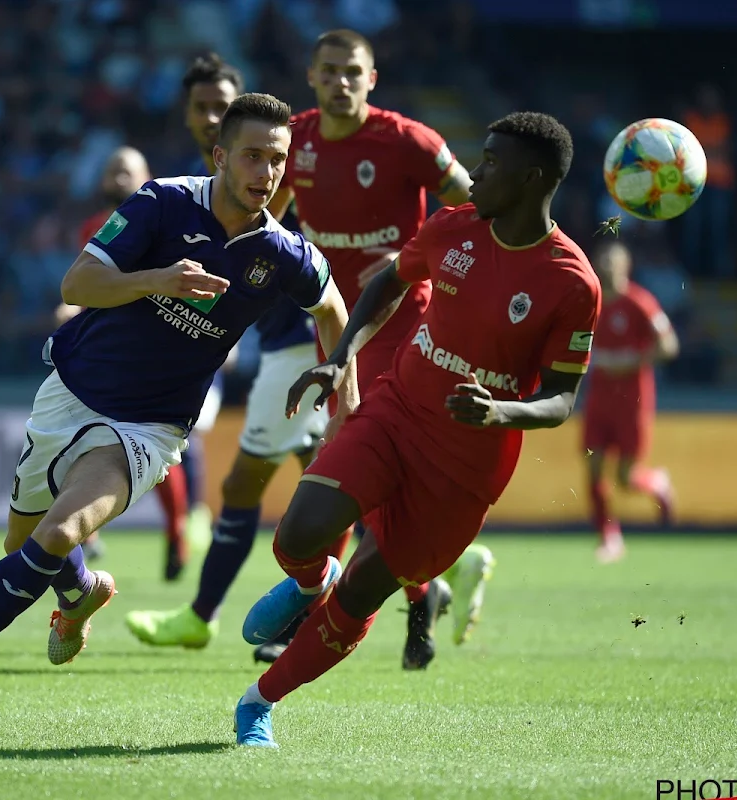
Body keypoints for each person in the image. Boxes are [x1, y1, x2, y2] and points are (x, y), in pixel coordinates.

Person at [0, 93, 358, 725]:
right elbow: (76, 285)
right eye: (251, 156)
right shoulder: (163, 202)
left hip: (150, 428)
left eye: (276, 159)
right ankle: (77, 595)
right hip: (73, 391)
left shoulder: (282, 253)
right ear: (219, 156)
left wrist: (339, 375)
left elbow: (332, 309)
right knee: (21, 543)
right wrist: (155, 280)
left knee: (57, 533)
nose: (264, 172)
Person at [232, 111, 601, 747]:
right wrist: (342, 354)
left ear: (532, 178)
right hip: (396, 409)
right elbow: (389, 285)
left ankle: (257, 703)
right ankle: (308, 579)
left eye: (491, 161)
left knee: (363, 591)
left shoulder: (572, 283)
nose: (475, 171)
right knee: (298, 534)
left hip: (465, 465)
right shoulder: (453, 227)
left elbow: (563, 399)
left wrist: (502, 411)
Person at [268, 28, 493, 668]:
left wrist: (416, 255)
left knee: (353, 463)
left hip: (406, 328)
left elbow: (478, 209)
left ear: (373, 79)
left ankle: (324, 608)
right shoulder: (298, 140)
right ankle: (420, 590)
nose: (341, 81)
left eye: (353, 71)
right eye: (329, 70)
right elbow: (272, 214)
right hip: (335, 326)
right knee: (341, 463)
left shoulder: (407, 142)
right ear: (311, 76)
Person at [125, 56, 332, 663]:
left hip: (294, 347)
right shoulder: (195, 189)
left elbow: (294, 260)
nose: (211, 117)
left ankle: (210, 614)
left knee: (253, 483)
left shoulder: (262, 176)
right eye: (201, 108)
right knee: (328, 477)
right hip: (273, 347)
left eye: (223, 105)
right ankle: (423, 574)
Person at [59, 146, 192, 572]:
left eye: (126, 172)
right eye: (112, 172)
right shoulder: (91, 228)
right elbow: (90, 283)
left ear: (147, 176)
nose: (118, 180)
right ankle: (88, 531)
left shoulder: (169, 222)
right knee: (81, 437)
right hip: (105, 350)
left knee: (151, 448)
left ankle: (176, 531)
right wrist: (73, 310)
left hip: (155, 353)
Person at [583, 241, 679, 563]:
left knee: (625, 478)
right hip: (599, 398)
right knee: (593, 467)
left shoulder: (640, 302)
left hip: (632, 401)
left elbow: (669, 346)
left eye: (614, 262)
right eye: (603, 262)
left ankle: (658, 483)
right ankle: (609, 538)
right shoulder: (591, 303)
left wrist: (632, 359)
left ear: (626, 266)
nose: (608, 267)